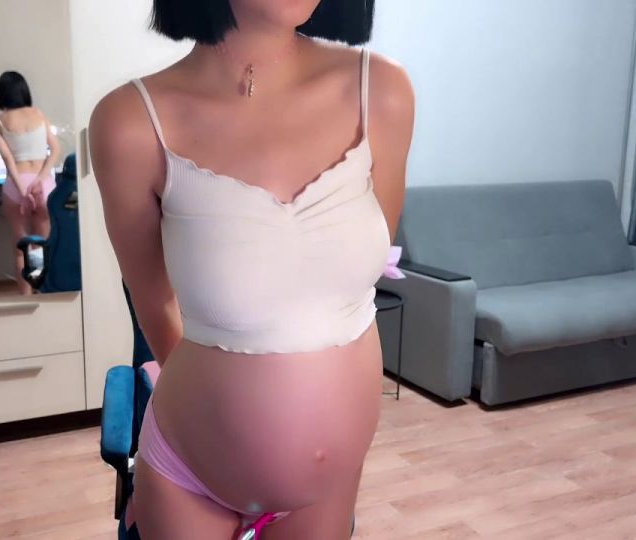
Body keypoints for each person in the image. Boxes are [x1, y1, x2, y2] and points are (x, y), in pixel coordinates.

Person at [89, 0, 414, 537]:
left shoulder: (381, 91)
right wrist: (230, 426)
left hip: (329, 485)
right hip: (189, 475)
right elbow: (153, 302)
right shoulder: (130, 123)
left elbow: (356, 284)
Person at [0, 71, 61, 295]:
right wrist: (39, 181)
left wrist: (23, 191)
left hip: (16, 186)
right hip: (44, 187)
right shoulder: (39, 114)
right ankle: (43, 296)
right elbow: (55, 150)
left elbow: (8, 159)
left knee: (21, 249)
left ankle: (26, 299)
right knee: (41, 246)